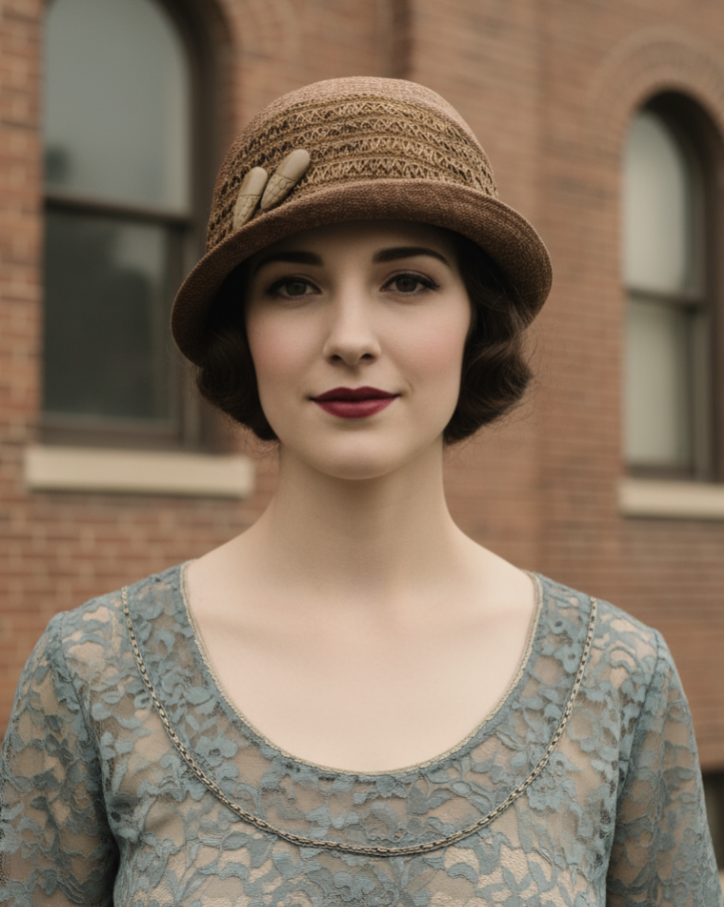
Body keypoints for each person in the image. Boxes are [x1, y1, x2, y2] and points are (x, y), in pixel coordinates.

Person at [1, 77, 721, 906]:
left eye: (407, 281)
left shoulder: (619, 679)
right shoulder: (92, 673)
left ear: (476, 321)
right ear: (244, 330)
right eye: (293, 286)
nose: (350, 338)